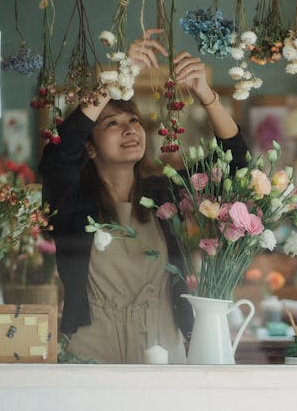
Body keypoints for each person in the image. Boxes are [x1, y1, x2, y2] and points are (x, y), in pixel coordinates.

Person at [40, 29, 248, 363]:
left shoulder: (164, 192)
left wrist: (205, 95)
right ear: (89, 148)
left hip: (164, 345)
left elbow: (234, 164)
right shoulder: (72, 200)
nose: (130, 129)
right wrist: (120, 77)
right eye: (112, 123)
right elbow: (57, 156)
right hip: (93, 346)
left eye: (133, 120)